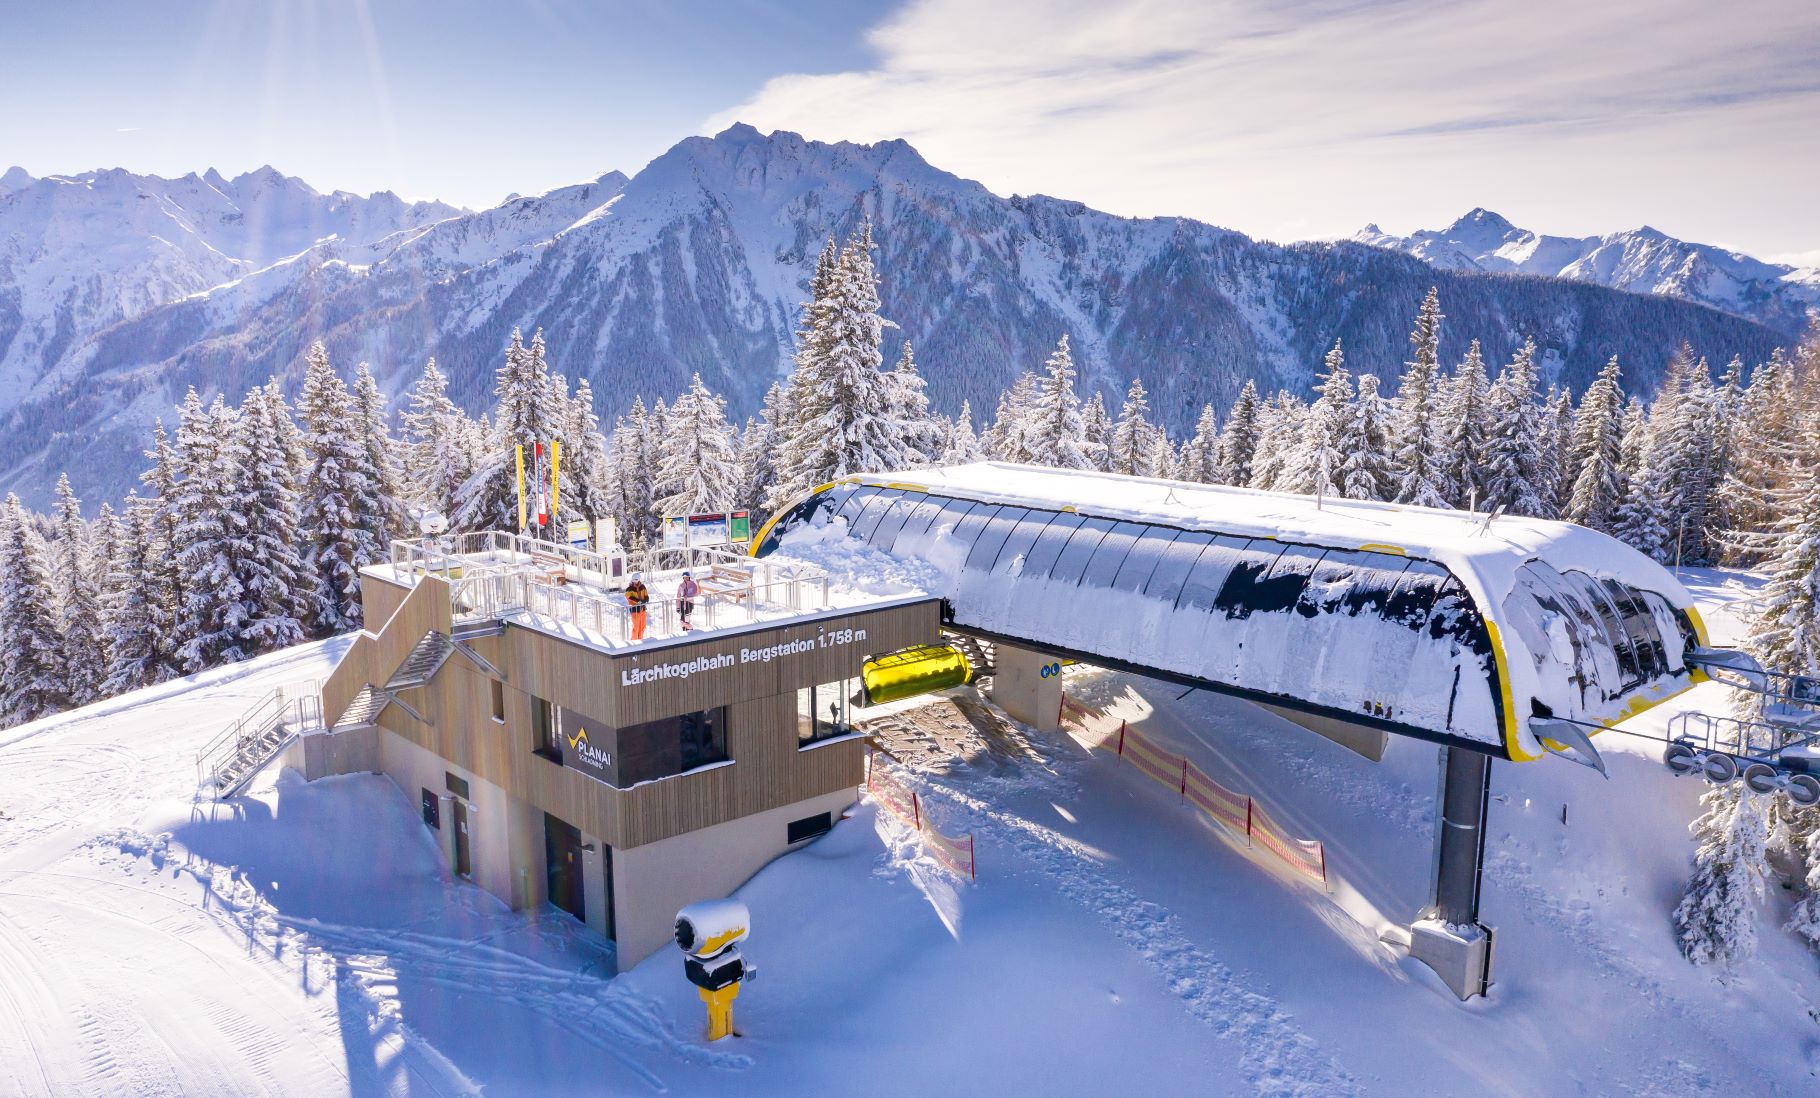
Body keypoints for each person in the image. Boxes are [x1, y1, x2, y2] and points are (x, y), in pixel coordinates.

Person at [625, 572, 649, 641]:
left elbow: (646, 595)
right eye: (634, 580)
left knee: (643, 626)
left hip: (643, 609)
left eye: (636, 580)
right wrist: (638, 601)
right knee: (636, 627)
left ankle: (640, 640)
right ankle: (634, 641)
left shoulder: (643, 587)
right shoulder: (629, 588)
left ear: (639, 579)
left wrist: (646, 600)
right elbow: (629, 597)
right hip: (635, 610)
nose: (635, 581)